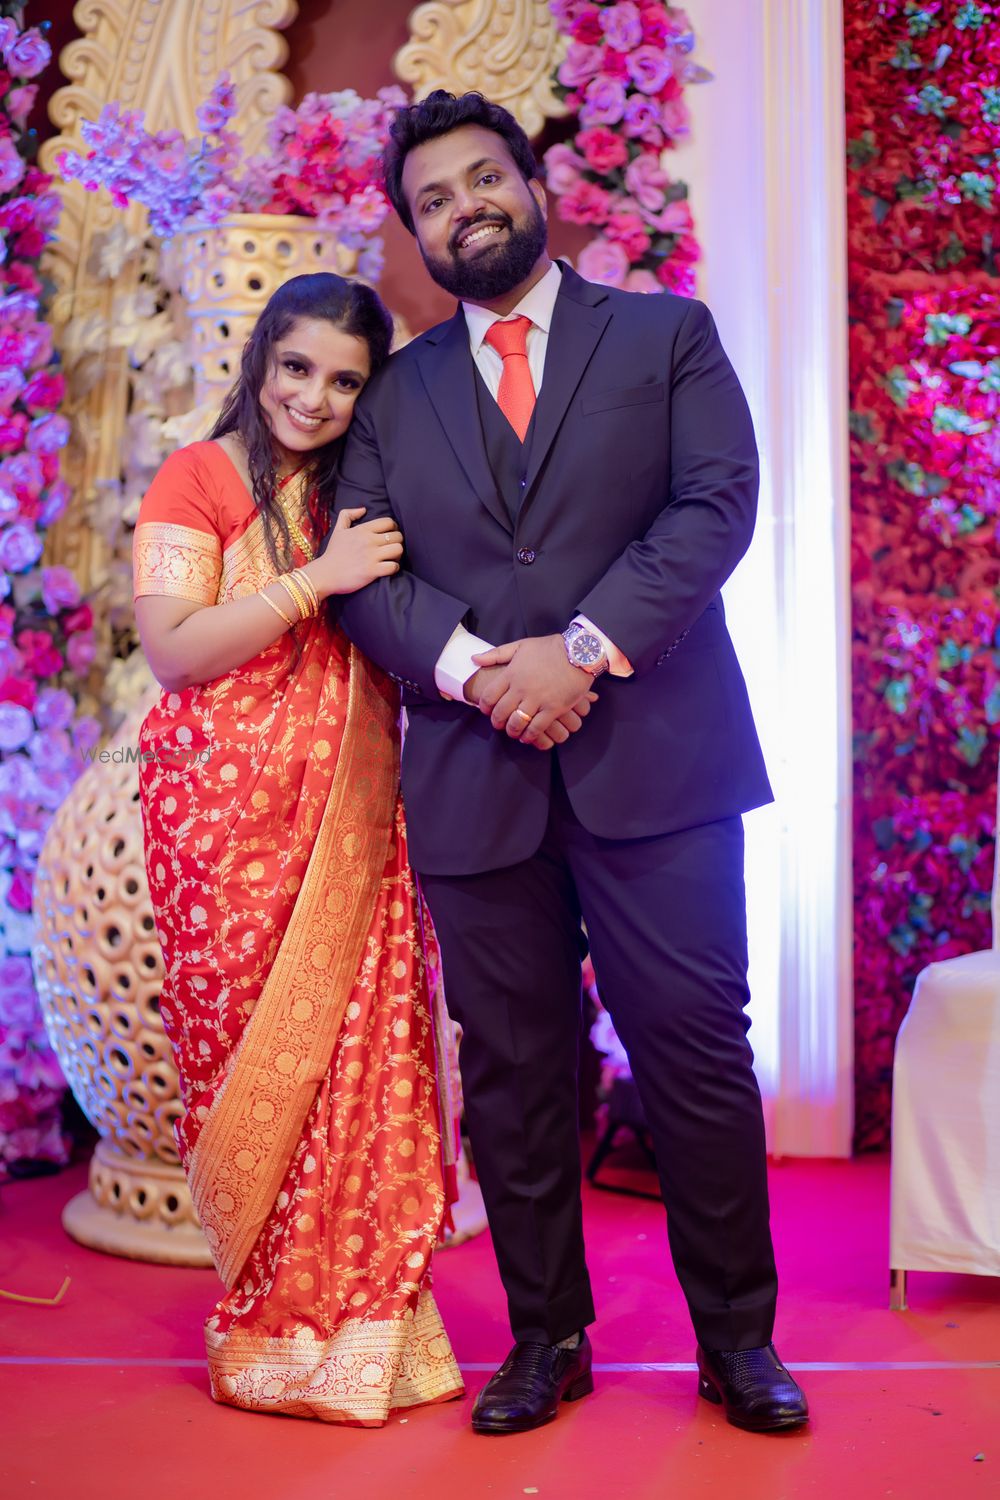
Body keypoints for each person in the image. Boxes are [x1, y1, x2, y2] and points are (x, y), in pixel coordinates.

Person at [328, 91, 810, 1435]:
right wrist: (480, 668)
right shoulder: (395, 392)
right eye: (432, 200)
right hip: (475, 771)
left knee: (696, 1056)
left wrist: (582, 650)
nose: (463, 209)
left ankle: (738, 1342)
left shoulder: (666, 336)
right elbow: (365, 568)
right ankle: (546, 1340)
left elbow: (715, 504)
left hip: (662, 763)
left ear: (534, 186)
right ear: (415, 234)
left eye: (483, 179)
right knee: (513, 1074)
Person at [132, 272, 464, 1426]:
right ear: (262, 358)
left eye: (343, 381)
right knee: (246, 1070)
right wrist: (317, 579)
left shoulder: (365, 493)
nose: (313, 399)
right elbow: (175, 651)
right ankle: (269, 1330)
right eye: (297, 367)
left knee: (359, 1071)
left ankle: (365, 1332)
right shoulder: (198, 475)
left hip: (348, 817)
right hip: (216, 829)